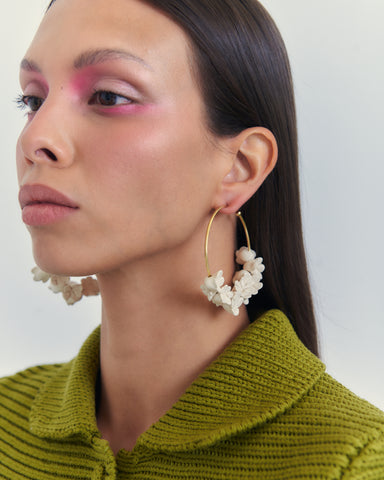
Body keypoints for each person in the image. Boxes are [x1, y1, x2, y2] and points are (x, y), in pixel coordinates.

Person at [0, 0, 383, 478]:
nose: (37, 138)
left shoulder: (350, 462)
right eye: (32, 101)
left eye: (109, 97)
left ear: (239, 167)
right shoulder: (5, 424)